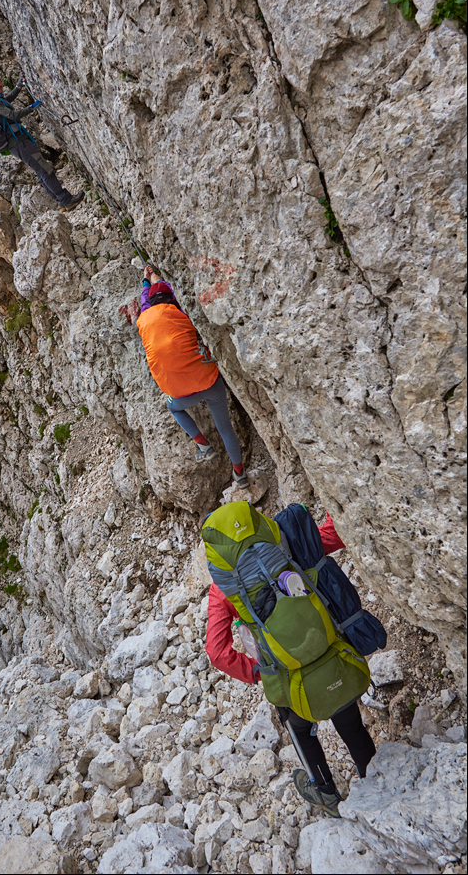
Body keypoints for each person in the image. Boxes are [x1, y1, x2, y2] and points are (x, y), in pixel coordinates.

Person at [205, 511, 376, 818]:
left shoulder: (224, 589)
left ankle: (326, 792)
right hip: (328, 653)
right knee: (350, 725)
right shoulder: (283, 549)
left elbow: (217, 651)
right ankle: (377, 784)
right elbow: (333, 536)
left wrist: (258, 671)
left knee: (301, 731)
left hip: (286, 677)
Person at [136, 264, 250, 490]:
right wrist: (155, 277)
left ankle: (204, 446)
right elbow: (164, 291)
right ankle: (240, 474)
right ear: (172, 299)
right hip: (209, 380)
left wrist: (145, 280)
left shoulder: (145, 319)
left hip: (179, 394)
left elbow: (147, 300)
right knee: (225, 428)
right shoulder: (181, 313)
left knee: (174, 408)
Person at [0, 72, 84, 211]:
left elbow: (8, 99)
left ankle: (61, 201)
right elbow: (12, 114)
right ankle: (66, 200)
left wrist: (19, 85)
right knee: (44, 169)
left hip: (19, 141)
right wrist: (31, 108)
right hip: (18, 142)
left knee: (40, 169)